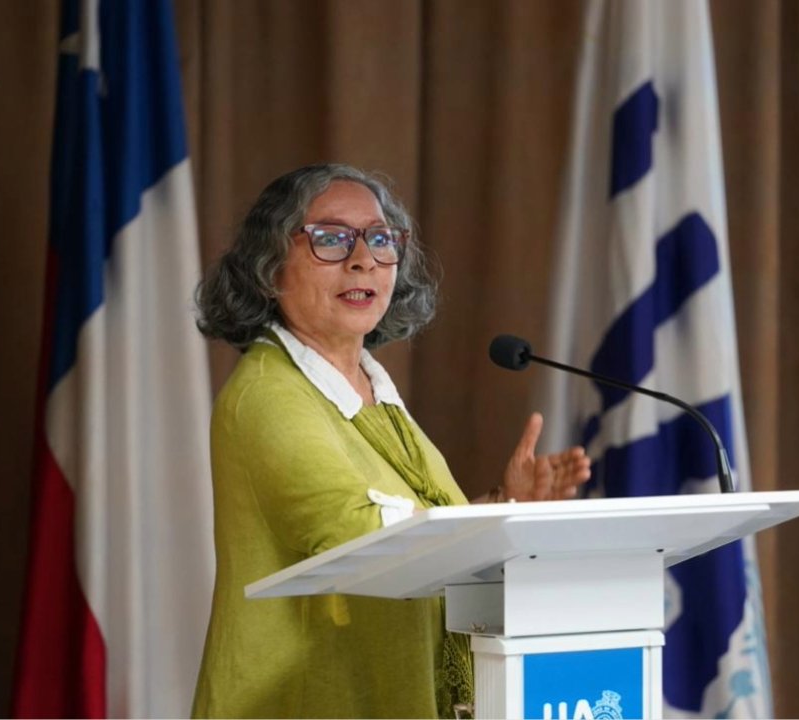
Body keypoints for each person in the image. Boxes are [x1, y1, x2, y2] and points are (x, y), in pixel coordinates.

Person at [190, 163, 590, 719]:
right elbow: (364, 539)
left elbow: (412, 531)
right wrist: (494, 524)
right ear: (269, 266)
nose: (363, 259)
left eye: (380, 239)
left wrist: (505, 504)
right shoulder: (268, 395)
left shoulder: (373, 392)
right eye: (331, 238)